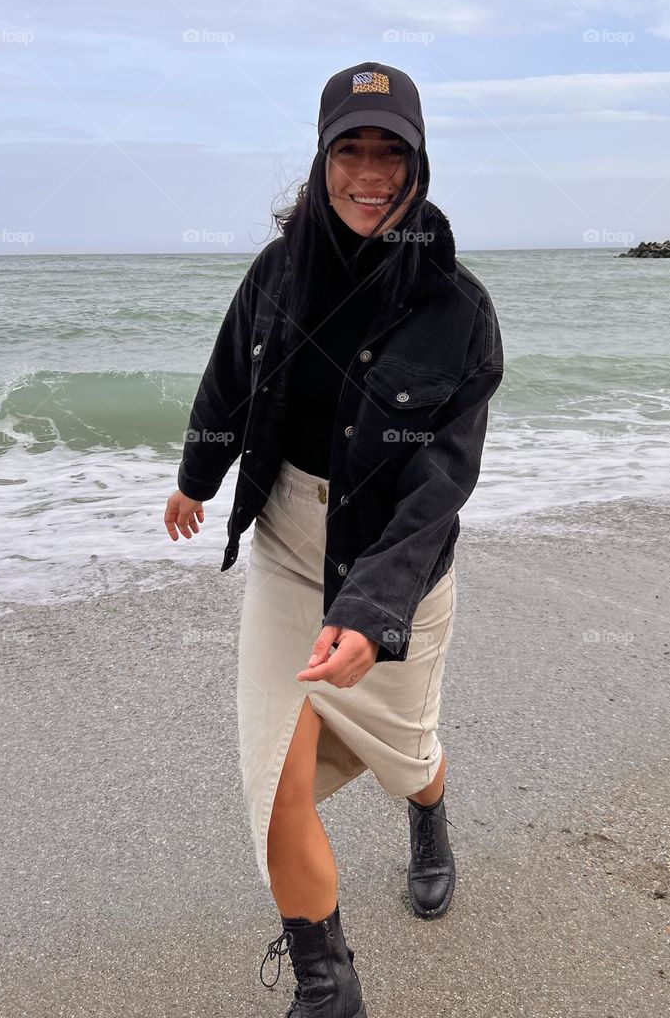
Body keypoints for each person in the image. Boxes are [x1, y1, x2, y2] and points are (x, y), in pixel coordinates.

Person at [164, 62, 504, 1016]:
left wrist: (371, 603)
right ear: (319, 162)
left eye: (388, 152)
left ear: (418, 164)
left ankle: (427, 814)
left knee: (407, 752)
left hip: (396, 562)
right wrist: (197, 478)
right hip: (285, 546)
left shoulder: (460, 312)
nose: (368, 172)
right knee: (275, 777)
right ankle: (329, 985)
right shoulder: (278, 272)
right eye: (348, 150)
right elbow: (231, 375)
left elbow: (442, 483)